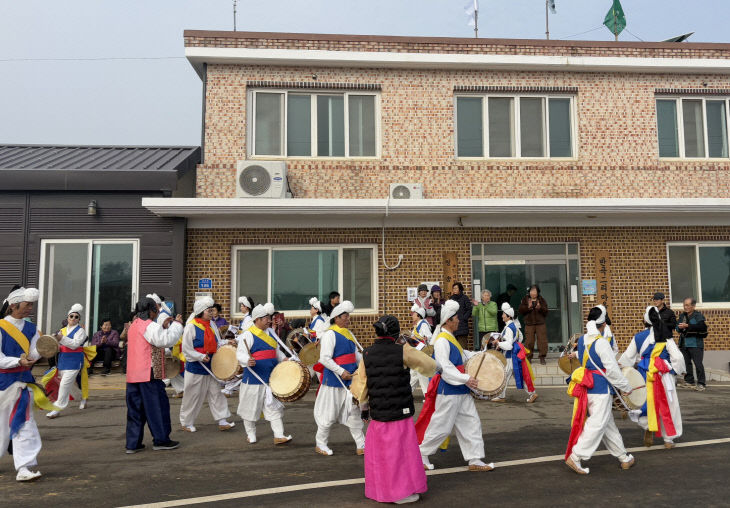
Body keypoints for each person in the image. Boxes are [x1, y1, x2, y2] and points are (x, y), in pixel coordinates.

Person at [350, 315, 436, 504]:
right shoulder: (402, 351)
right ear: (395, 332)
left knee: (382, 457)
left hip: (378, 414)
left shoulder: (367, 353)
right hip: (399, 411)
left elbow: (361, 386)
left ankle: (383, 491)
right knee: (400, 455)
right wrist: (408, 345)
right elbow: (430, 366)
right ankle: (400, 493)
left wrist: (365, 409)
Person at [416, 299, 493, 472]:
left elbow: (464, 355)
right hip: (449, 390)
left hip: (459, 389)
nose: (459, 320)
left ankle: (475, 459)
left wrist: (482, 354)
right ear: (449, 320)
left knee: (471, 423)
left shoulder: (450, 338)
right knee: (441, 426)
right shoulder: (443, 340)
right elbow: (444, 367)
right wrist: (466, 378)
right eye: (456, 318)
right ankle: (421, 454)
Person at [564, 306, 635, 475]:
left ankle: (624, 457)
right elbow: (611, 369)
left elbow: (586, 360)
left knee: (607, 424)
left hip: (587, 387)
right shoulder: (602, 342)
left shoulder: (582, 341)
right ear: (603, 324)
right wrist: (626, 387)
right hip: (601, 388)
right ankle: (575, 456)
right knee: (597, 424)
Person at [0, 286, 56, 481]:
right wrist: (17, 361)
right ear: (14, 306)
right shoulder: (0, 327)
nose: (30, 308)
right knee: (3, 426)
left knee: (23, 423)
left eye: (31, 305)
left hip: (23, 382)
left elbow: (32, 355)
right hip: (4, 382)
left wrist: (47, 346)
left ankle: (23, 467)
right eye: (27, 305)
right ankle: (22, 466)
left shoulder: (31, 329)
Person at [619, 306, 685, 449]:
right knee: (668, 404)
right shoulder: (666, 335)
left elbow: (627, 358)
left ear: (645, 320)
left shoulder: (638, 337)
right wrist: (675, 370)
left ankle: (648, 425)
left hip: (645, 374)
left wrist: (620, 369)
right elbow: (678, 357)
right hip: (663, 375)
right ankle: (669, 439)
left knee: (645, 402)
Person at [125, 297, 184, 453]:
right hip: (148, 372)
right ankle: (161, 439)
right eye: (156, 311)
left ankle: (133, 443)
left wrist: (162, 326)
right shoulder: (149, 325)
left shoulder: (134, 325)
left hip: (133, 373)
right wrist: (176, 325)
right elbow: (165, 340)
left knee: (135, 410)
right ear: (151, 311)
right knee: (157, 407)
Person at [313, 300, 365, 456]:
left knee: (354, 412)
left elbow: (356, 356)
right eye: (345, 316)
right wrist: (341, 371)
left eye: (348, 316)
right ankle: (320, 443)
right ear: (336, 318)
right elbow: (324, 359)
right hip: (334, 381)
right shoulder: (330, 334)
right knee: (329, 414)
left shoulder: (348, 334)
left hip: (350, 381)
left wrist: (365, 365)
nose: (348, 318)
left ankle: (361, 444)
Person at [236, 303, 292, 445]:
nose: (269, 320)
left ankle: (279, 435)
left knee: (274, 409)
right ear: (257, 320)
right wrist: (247, 360)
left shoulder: (271, 333)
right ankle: (251, 434)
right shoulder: (248, 334)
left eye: (269, 317)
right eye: (266, 318)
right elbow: (240, 354)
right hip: (254, 379)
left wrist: (285, 359)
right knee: (250, 409)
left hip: (270, 379)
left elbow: (276, 351)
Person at [179, 297, 235, 433]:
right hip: (196, 367)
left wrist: (228, 342)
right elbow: (186, 349)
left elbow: (217, 343)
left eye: (211, 310)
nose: (211, 313)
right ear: (200, 312)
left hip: (211, 365)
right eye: (209, 311)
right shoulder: (191, 326)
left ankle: (222, 420)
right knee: (192, 396)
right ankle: (187, 422)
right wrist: (200, 356)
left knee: (217, 393)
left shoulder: (212, 325)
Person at [46, 304, 94, 419]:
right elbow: (57, 346)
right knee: (70, 386)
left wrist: (60, 338)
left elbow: (75, 345)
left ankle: (56, 409)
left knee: (63, 385)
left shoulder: (81, 331)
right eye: (71, 316)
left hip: (74, 361)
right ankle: (82, 397)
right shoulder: (61, 331)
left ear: (79, 319)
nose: (73, 318)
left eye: (76, 317)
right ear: (67, 318)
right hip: (63, 361)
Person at [492, 303, 538, 404]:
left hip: (510, 356)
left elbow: (509, 345)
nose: (502, 315)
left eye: (504, 314)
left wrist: (498, 343)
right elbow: (520, 338)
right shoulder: (513, 326)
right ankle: (532, 393)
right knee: (516, 375)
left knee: (504, 376)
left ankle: (501, 396)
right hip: (513, 355)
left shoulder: (509, 328)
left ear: (508, 316)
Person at [677, 297, 707, 392]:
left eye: (687, 305)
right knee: (686, 363)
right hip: (684, 343)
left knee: (698, 364)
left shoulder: (698, 315)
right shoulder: (682, 316)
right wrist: (680, 327)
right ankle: (689, 381)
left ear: (693, 306)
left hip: (695, 344)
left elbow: (702, 327)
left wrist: (688, 326)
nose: (685, 307)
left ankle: (701, 383)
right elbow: (678, 328)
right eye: (684, 305)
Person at [518, 285, 549, 364]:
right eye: (532, 291)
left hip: (540, 323)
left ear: (538, 292)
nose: (533, 293)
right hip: (529, 323)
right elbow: (520, 310)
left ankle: (542, 357)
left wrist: (540, 308)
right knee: (529, 341)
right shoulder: (525, 300)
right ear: (529, 292)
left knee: (542, 341)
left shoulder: (541, 300)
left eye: (535, 291)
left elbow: (546, 311)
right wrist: (528, 307)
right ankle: (528, 357)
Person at [409, 304, 433, 395]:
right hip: (417, 354)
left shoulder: (423, 324)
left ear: (418, 315)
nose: (412, 315)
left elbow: (429, 337)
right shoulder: (418, 325)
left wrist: (424, 339)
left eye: (414, 314)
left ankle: (427, 395)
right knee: (413, 375)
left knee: (422, 376)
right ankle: (406, 393)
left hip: (422, 353)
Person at [449, 282, 472, 349]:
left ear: (460, 289)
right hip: (453, 326)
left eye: (456, 288)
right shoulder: (451, 298)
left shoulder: (465, 298)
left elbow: (469, 309)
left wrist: (464, 318)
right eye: (453, 288)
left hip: (462, 326)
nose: (454, 290)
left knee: (463, 347)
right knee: (455, 348)